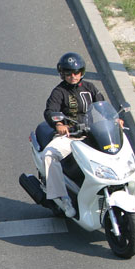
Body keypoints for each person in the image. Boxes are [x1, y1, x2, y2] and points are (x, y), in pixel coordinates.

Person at [41, 51, 105, 218]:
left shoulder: (90, 88)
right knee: (49, 155)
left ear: (82, 72)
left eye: (77, 72)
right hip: (70, 136)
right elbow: (50, 111)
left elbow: (102, 106)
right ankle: (62, 198)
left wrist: (114, 120)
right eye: (69, 73)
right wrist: (59, 124)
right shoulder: (59, 92)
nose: (73, 76)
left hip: (91, 135)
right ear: (62, 74)